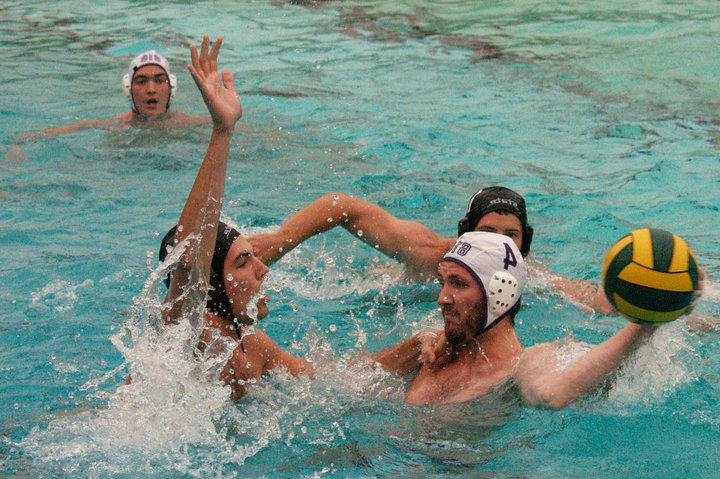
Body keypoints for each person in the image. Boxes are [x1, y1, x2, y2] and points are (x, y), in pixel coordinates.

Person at [159, 34, 310, 401]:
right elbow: (191, 253)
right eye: (244, 261)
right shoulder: (187, 333)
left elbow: (339, 380)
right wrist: (222, 131)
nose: (264, 269)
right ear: (208, 282)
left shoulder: (251, 345)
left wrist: (422, 345)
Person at [372, 231, 669, 407]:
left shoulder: (524, 364)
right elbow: (348, 379)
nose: (442, 298)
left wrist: (644, 326)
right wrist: (411, 347)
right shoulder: (434, 348)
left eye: (459, 284)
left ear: (501, 292)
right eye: (443, 282)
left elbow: (553, 394)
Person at [248, 187, 614, 314]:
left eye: (510, 235)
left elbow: (590, 299)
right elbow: (340, 206)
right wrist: (279, 242)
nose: (500, 243)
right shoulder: (426, 252)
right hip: (392, 294)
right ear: (465, 235)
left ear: (524, 243)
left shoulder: (527, 276)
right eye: (488, 231)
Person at [12, 49, 208, 144]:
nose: (151, 89)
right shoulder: (113, 127)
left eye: (159, 80)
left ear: (171, 87)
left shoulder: (193, 124)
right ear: (127, 88)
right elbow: (37, 137)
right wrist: (18, 144)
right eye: (141, 81)